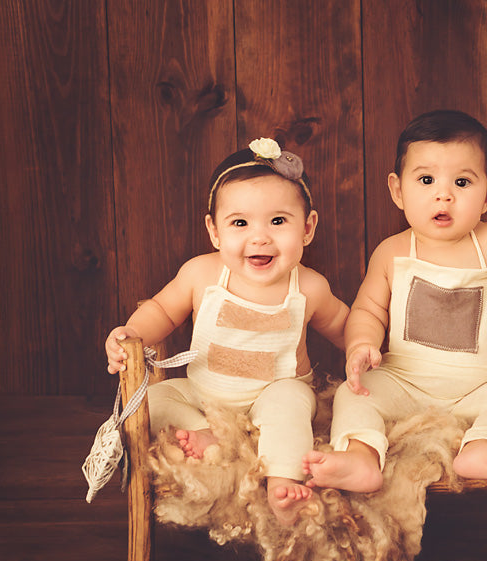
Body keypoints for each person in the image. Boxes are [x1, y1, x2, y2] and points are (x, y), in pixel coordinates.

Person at [303, 110, 487, 493]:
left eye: (462, 182)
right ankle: (361, 456)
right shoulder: (392, 252)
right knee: (353, 394)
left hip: (471, 388)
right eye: (426, 180)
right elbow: (368, 310)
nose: (443, 194)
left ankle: (479, 450)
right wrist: (361, 344)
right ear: (398, 191)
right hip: (402, 383)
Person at [106, 138, 349, 525]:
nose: (259, 237)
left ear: (307, 228)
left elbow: (344, 327)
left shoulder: (310, 287)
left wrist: (367, 347)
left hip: (273, 397)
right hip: (205, 397)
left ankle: (283, 482)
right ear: (215, 232)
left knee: (292, 403)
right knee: (156, 398)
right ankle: (207, 436)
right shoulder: (200, 274)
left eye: (278, 221)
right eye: (240, 223)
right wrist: (131, 333)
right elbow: (162, 310)